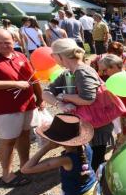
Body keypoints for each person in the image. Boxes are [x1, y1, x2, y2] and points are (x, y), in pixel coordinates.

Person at [0, 29, 43, 186]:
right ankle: (7, 175)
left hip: (27, 104)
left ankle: (25, 166)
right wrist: (14, 84)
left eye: (7, 42)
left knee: (24, 136)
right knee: (8, 141)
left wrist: (39, 97)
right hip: (4, 109)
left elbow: (33, 78)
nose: (3, 46)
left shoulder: (19, 55)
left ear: (13, 40)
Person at [21, 114, 98, 195]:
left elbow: (26, 169)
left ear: (58, 141)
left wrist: (47, 147)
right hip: (93, 187)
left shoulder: (65, 160)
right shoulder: (86, 147)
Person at [42, 39, 115, 171]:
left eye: (53, 55)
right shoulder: (68, 72)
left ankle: (98, 186)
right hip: (88, 124)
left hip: (96, 127)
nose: (52, 58)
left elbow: (87, 99)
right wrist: (60, 104)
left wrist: (63, 96)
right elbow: (45, 93)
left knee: (96, 161)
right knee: (90, 158)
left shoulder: (82, 71)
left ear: (60, 55)